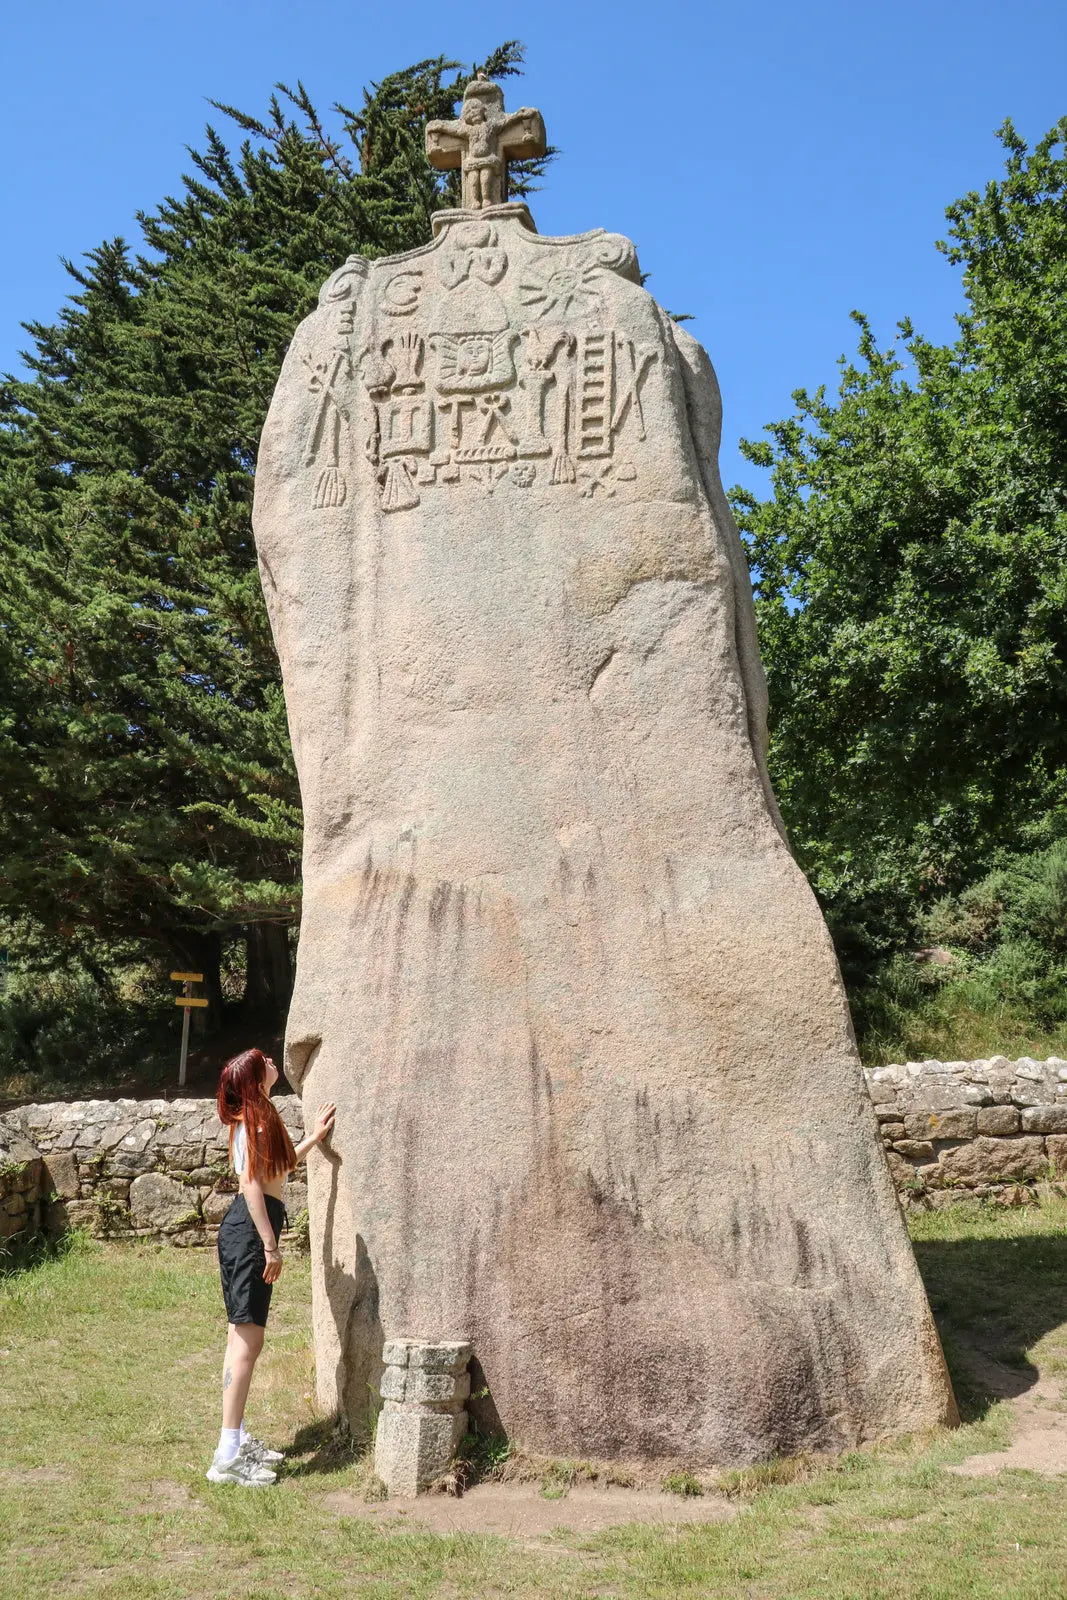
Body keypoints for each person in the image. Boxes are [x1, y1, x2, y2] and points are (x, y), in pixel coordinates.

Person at [206, 1047, 336, 1486]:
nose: (270, 1062)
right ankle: (227, 1455)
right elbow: (251, 1186)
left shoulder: (260, 1116)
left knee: (241, 1338)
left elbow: (280, 1168)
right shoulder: (251, 1122)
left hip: (246, 1232)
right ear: (255, 1079)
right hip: (249, 1233)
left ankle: (237, 1439)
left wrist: (314, 1137)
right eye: (263, 1060)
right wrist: (270, 1246)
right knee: (248, 1341)